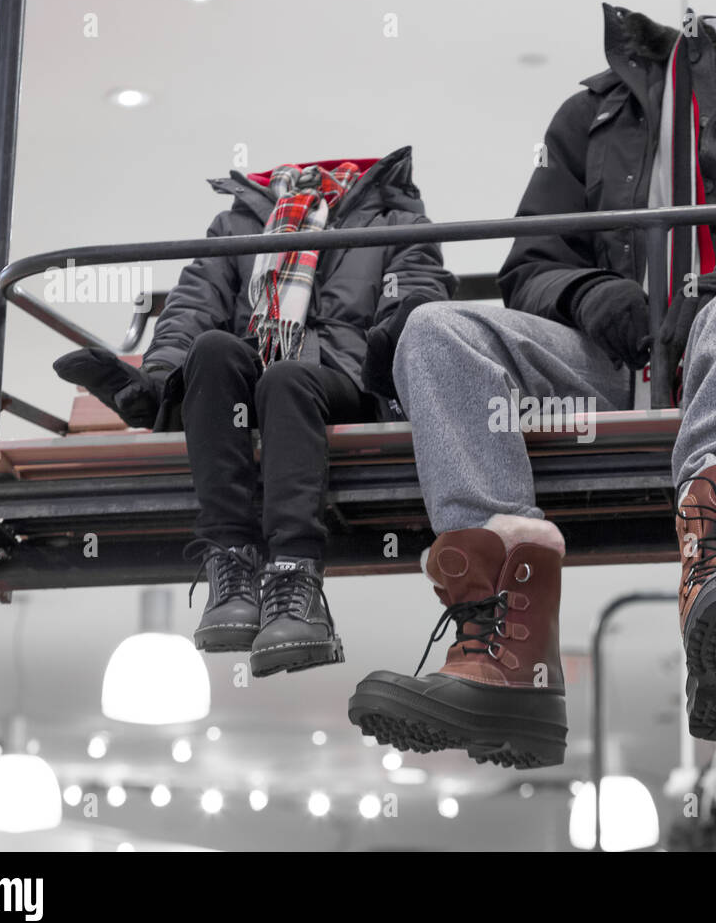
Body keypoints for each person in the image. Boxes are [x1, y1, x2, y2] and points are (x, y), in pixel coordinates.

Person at [348, 0, 716, 767]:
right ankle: (506, 639)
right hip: (633, 364)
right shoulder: (594, 113)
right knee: (435, 330)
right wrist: (590, 295)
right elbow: (534, 263)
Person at [55, 147, 454, 678]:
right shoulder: (238, 224)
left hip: (344, 382)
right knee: (214, 349)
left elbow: (416, 297)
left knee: (286, 379)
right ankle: (232, 561)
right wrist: (158, 381)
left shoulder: (398, 222)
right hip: (245, 388)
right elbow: (193, 306)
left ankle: (296, 575)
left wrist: (394, 367)